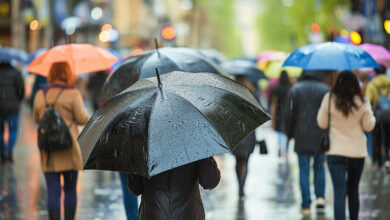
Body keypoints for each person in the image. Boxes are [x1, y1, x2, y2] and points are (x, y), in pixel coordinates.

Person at [32, 62, 89, 220]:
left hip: (48, 149)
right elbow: (83, 118)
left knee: (53, 191)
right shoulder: (73, 94)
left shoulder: (40, 94)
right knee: (70, 190)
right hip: (68, 148)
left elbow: (36, 119)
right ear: (68, 74)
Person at [317, 71, 375, 220]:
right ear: (355, 84)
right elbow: (368, 126)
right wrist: (368, 111)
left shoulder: (329, 98)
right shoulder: (362, 101)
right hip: (357, 153)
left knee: (339, 192)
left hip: (335, 152)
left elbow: (321, 123)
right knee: (353, 190)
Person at [283, 70, 329, 215]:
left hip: (301, 135)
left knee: (303, 169)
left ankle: (306, 204)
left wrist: (290, 134)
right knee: (319, 167)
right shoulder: (326, 90)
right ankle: (320, 197)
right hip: (320, 135)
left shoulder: (296, 89)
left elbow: (288, 114)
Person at [127, 157, 220, 220]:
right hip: (189, 214)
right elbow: (210, 182)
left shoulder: (143, 144)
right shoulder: (194, 140)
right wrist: (206, 154)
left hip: (152, 214)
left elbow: (135, 188)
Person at [232, 75, 257, 197]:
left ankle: (239, 186)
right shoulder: (250, 93)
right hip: (249, 131)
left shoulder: (231, 92)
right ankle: (243, 186)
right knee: (245, 161)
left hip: (236, 132)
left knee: (237, 161)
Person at [365, 65, 390, 172]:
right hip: (389, 116)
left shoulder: (372, 84)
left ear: (375, 72)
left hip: (377, 117)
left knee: (377, 140)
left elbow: (367, 100)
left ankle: (378, 163)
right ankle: (388, 160)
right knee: (388, 140)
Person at [0, 62, 25, 163]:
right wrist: (18, 100)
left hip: (0, 109)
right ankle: (9, 151)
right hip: (13, 108)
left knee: (0, 132)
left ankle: (2, 152)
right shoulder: (15, 73)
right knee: (13, 131)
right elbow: (21, 90)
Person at [270, 70, 292, 157]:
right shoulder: (291, 88)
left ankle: (279, 147)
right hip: (288, 112)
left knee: (279, 131)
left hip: (279, 112)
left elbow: (274, 103)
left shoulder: (277, 88)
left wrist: (273, 115)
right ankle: (286, 151)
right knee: (287, 132)